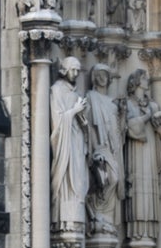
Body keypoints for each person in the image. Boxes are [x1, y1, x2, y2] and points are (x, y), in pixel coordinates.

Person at [124, 68, 161, 242]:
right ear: (136, 82)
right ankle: (137, 231)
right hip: (135, 152)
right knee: (137, 189)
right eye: (143, 78)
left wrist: (158, 126)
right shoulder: (127, 104)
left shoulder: (154, 105)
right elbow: (126, 129)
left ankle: (149, 229)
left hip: (149, 151)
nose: (147, 80)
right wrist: (146, 118)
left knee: (149, 189)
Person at [84, 63, 125, 236]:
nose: (102, 77)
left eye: (105, 74)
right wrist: (91, 149)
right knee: (107, 179)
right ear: (94, 77)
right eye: (99, 74)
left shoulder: (112, 104)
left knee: (115, 180)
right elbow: (88, 126)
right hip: (99, 147)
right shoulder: (91, 97)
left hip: (113, 148)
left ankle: (105, 217)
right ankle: (97, 212)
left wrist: (122, 113)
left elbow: (120, 131)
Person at [50, 56, 89, 232]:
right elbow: (57, 122)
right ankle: (64, 222)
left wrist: (82, 118)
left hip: (76, 141)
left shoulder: (75, 94)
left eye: (78, 70)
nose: (76, 74)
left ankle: (76, 219)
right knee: (68, 178)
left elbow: (78, 121)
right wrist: (74, 111)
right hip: (65, 145)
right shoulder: (56, 90)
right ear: (64, 70)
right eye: (73, 70)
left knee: (80, 180)